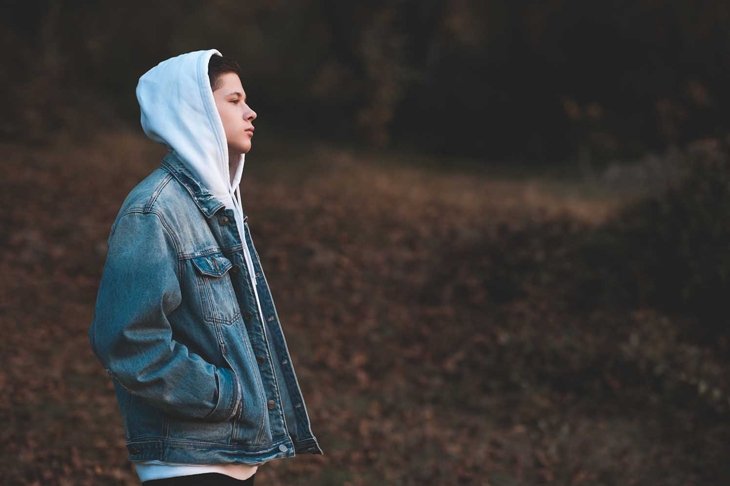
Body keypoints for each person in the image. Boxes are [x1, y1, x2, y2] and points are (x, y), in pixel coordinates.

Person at [88, 49, 323, 485]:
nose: (250, 112)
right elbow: (127, 341)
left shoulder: (218, 207)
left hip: (231, 455)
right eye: (234, 101)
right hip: (188, 461)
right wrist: (227, 394)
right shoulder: (154, 210)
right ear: (195, 109)